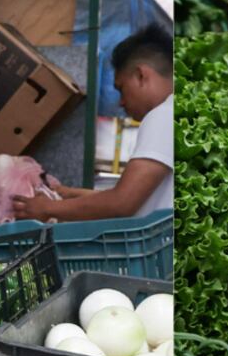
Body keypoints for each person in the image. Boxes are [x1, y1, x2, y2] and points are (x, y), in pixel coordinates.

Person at [13, 23, 173, 221]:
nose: (121, 102)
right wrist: (70, 194)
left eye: (121, 88)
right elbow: (136, 197)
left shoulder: (163, 115)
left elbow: (122, 202)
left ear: (141, 75)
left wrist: (48, 209)